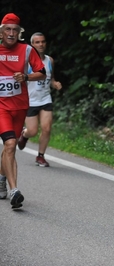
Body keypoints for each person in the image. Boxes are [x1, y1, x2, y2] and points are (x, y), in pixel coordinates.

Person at [0, 13, 46, 208]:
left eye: (15, 30)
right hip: (1, 107)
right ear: (1, 31)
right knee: (11, 144)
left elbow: (41, 73)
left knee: (9, 148)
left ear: (19, 32)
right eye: (7, 29)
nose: (11, 33)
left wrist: (26, 77)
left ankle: (2, 177)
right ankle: (14, 191)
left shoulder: (27, 50)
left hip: (19, 107)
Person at [17, 32, 62, 167]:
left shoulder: (50, 60)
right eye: (37, 42)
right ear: (32, 45)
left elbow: (51, 78)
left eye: (43, 41)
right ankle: (24, 134)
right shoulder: (26, 62)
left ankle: (40, 156)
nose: (41, 44)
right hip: (30, 100)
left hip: (45, 98)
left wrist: (55, 84)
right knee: (32, 131)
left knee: (47, 128)